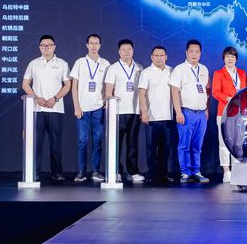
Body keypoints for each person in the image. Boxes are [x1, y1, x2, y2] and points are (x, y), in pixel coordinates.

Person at [22, 35, 70, 182]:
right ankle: (34, 172)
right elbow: (25, 84)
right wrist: (36, 98)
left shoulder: (62, 64)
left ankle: (57, 172)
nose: (46, 47)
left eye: (49, 45)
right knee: (36, 143)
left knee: (56, 143)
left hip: (56, 109)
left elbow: (67, 85)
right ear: (39, 47)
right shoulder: (33, 64)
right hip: (37, 109)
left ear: (54, 47)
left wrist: (55, 98)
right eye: (43, 45)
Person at [70, 34, 110, 183]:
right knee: (83, 141)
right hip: (83, 108)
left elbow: (108, 85)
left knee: (97, 141)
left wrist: (106, 101)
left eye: (96, 43)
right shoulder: (80, 62)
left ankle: (95, 171)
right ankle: (81, 171)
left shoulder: (105, 63)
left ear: (100, 45)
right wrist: (76, 106)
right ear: (87, 45)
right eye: (91, 43)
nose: (93, 46)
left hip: (99, 108)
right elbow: (74, 87)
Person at [169, 39, 210, 184]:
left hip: (201, 113)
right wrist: (178, 112)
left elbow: (206, 91)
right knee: (184, 144)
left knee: (197, 145)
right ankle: (185, 173)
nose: (194, 54)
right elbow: (174, 92)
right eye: (191, 51)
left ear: (200, 53)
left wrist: (206, 109)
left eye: (197, 52)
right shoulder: (179, 69)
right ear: (186, 53)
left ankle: (196, 171)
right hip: (186, 112)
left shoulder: (204, 69)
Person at [104, 39, 144, 183]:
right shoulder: (113, 68)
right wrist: (109, 107)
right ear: (119, 51)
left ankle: (133, 172)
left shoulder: (139, 67)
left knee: (132, 144)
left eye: (129, 49)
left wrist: (142, 109)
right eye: (123, 49)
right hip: (118, 112)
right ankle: (116, 171)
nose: (126, 52)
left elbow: (143, 90)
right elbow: (108, 91)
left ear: (133, 51)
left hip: (134, 111)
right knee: (117, 144)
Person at [139, 46, 177, 184]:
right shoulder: (146, 72)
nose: (159, 58)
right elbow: (141, 94)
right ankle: (151, 174)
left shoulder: (172, 71)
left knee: (165, 149)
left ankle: (163, 174)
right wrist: (144, 112)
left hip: (167, 117)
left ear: (166, 57)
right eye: (156, 55)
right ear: (152, 57)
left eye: (162, 55)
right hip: (151, 117)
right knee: (151, 148)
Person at [212, 46, 247, 183]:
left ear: (236, 59)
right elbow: (215, 92)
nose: (230, 59)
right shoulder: (219, 73)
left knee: (238, 142)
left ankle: (237, 170)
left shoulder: (242, 73)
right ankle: (226, 172)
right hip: (224, 112)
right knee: (224, 142)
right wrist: (229, 98)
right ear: (224, 58)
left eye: (233, 56)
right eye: (228, 56)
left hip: (240, 112)